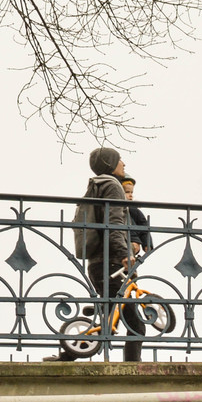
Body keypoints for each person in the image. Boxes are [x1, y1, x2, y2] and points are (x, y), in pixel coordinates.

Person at [53, 146, 145, 362]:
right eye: (120, 159)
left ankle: (70, 353)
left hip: (97, 263)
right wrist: (124, 253)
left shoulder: (96, 185)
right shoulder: (113, 186)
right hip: (111, 263)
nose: (123, 164)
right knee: (136, 325)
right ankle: (133, 371)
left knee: (109, 319)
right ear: (110, 164)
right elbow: (113, 223)